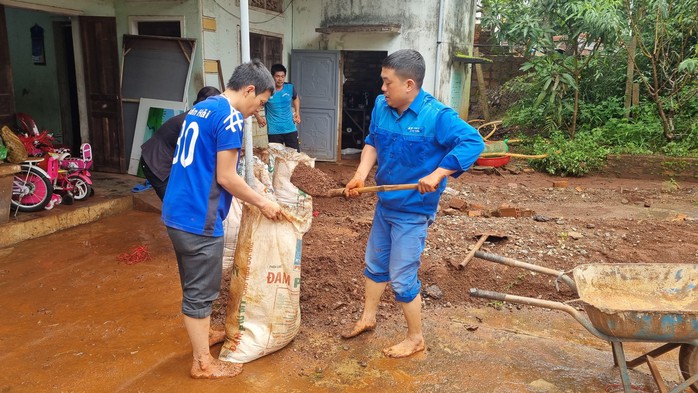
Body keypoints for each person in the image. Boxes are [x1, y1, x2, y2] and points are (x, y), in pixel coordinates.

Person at [340, 49, 485, 358]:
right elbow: (372, 141)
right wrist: (361, 174)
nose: (381, 88)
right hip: (385, 203)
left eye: (386, 82)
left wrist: (439, 172)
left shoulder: (437, 116)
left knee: (402, 276)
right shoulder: (382, 105)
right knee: (375, 264)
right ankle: (368, 317)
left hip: (413, 211)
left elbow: (474, 141)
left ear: (408, 84)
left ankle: (416, 337)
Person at [161, 59, 283, 379]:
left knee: (194, 285)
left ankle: (203, 337)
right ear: (249, 89)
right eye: (260, 102)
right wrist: (263, 202)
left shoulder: (203, 107)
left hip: (176, 211)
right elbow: (227, 178)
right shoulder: (229, 118)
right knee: (201, 292)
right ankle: (203, 362)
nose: (258, 110)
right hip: (199, 217)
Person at [140, 86, 221, 201]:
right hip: (155, 162)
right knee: (174, 204)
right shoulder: (191, 121)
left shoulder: (197, 117)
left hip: (167, 160)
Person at [253, 63, 301, 151]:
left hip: (290, 129)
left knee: (295, 157)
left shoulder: (290, 87)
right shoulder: (267, 91)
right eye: (277, 76)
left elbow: (296, 98)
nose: (280, 79)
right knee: (275, 158)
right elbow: (255, 105)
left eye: (283, 76)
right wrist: (258, 117)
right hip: (274, 131)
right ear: (272, 76)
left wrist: (297, 113)